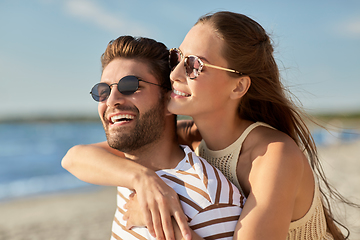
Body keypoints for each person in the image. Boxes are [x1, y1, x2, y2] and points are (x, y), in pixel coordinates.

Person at [62, 12, 357, 240]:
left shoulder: (272, 156)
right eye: (178, 58)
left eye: (194, 65)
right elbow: (76, 157)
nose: (175, 73)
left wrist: (163, 229)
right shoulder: (195, 138)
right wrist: (142, 180)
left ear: (238, 86)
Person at [63, 35, 245, 240]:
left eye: (130, 85)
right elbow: (72, 158)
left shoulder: (208, 197)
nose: (112, 100)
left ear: (169, 99)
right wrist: (142, 178)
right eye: (103, 91)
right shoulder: (127, 171)